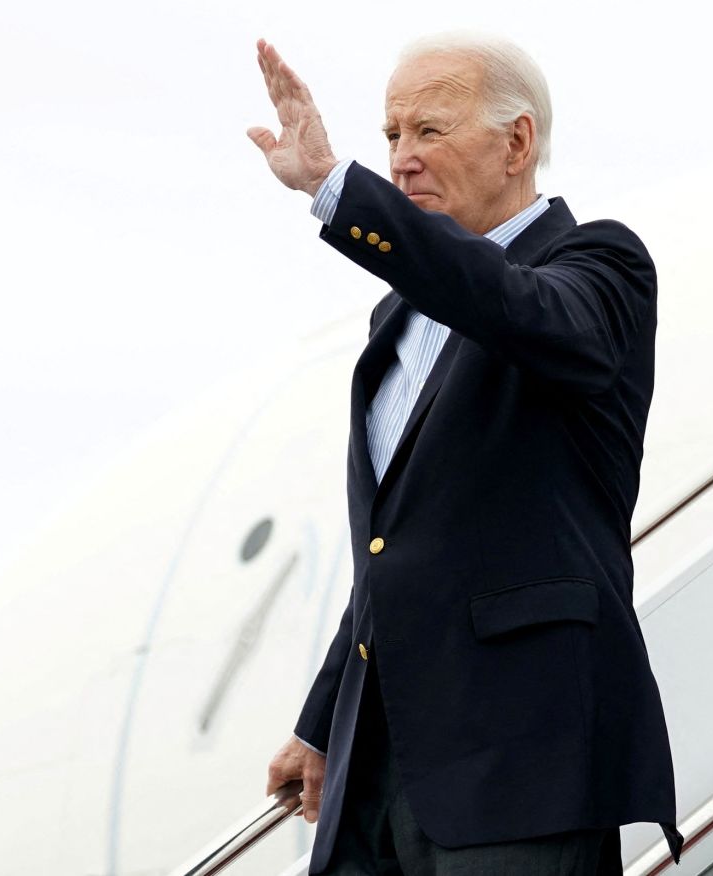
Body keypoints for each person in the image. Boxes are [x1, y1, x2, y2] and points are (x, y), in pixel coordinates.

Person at [249, 32, 683, 875]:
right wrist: (323, 719)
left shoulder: (598, 265)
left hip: (523, 764)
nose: (403, 160)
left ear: (517, 143)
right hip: (383, 770)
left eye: (430, 132)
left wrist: (339, 189)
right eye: (391, 137)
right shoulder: (397, 321)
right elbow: (397, 549)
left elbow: (506, 300)